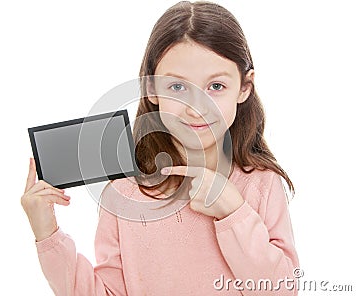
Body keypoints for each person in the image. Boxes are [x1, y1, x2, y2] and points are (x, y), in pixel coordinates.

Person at [21, 1, 299, 295]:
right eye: (178, 88)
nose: (197, 109)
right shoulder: (125, 192)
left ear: (244, 87)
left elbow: (282, 290)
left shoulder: (261, 184)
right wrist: (47, 234)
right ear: (151, 88)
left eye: (216, 86)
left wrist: (233, 211)